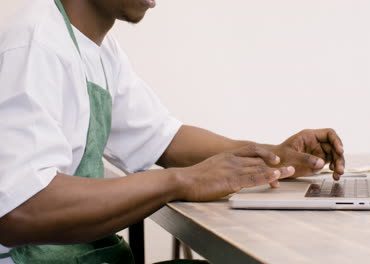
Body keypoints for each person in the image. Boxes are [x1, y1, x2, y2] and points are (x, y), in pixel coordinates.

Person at [0, 0, 345, 263]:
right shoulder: (34, 43)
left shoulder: (100, 50)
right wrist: (179, 181)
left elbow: (164, 137)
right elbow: (20, 209)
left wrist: (274, 157)